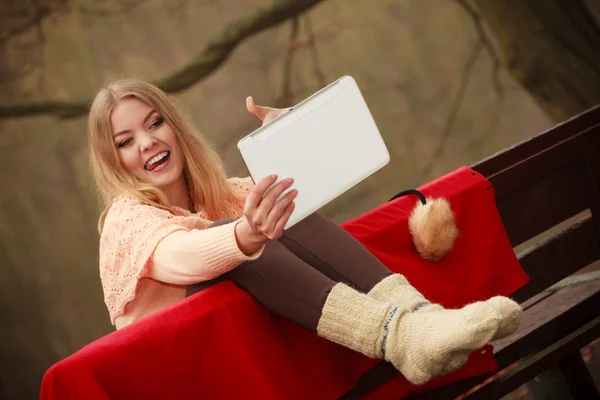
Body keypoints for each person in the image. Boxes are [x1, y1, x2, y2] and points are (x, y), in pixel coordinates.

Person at [89, 79, 522, 385]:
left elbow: (302, 204)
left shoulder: (226, 197)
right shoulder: (126, 221)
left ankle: (421, 321)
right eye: (125, 141)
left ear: (174, 128)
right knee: (241, 238)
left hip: (268, 362)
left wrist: (291, 140)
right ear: (114, 161)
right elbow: (181, 255)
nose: (146, 142)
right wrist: (243, 237)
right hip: (196, 378)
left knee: (280, 209)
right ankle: (402, 337)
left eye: (154, 123)